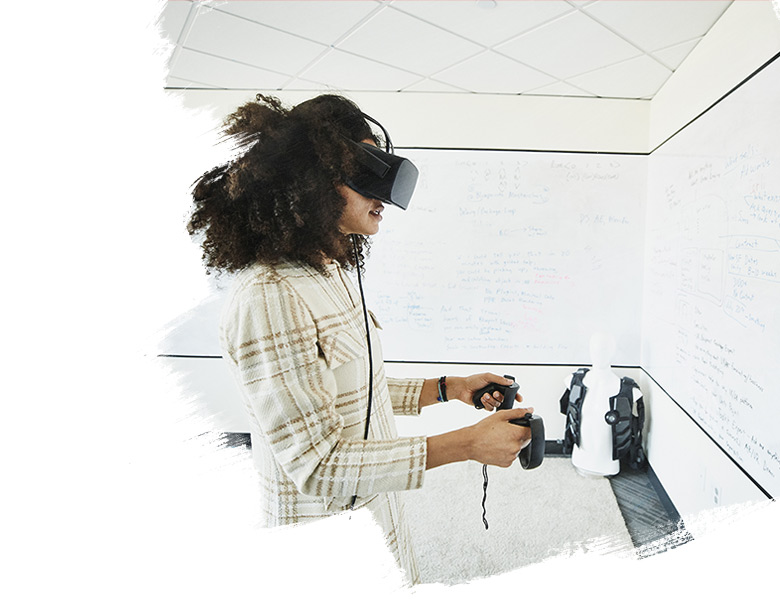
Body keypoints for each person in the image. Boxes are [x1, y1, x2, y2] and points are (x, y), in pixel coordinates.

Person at [186, 93, 533, 585]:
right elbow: (318, 464)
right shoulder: (269, 297)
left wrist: (448, 388)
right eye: (365, 176)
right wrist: (468, 444)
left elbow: (350, 387)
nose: (384, 198)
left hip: (374, 510)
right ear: (315, 183)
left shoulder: (330, 270)